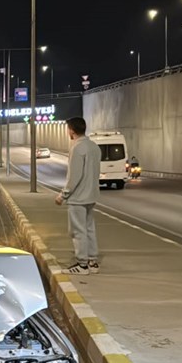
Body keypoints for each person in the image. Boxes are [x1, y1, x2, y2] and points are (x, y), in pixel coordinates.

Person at [55, 117, 101, 275]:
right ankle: (92, 261)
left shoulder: (77, 148)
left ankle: (82, 265)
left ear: (72, 130)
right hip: (91, 195)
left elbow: (74, 176)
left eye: (68, 129)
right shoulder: (94, 147)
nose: (68, 132)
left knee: (77, 230)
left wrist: (63, 195)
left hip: (78, 197)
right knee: (89, 228)